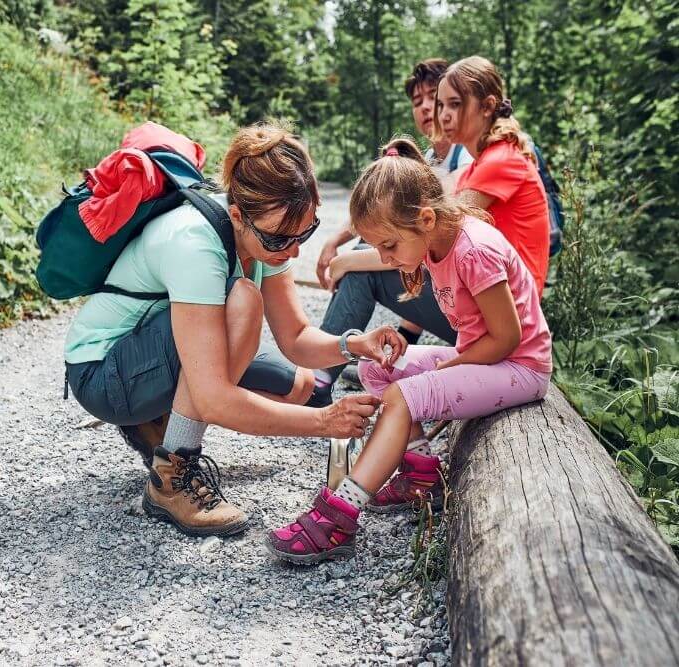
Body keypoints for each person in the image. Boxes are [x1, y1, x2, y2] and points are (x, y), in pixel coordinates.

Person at [64, 120, 407, 538]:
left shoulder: (269, 233)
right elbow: (213, 399)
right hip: (103, 372)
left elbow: (297, 338)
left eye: (306, 231)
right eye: (282, 239)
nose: (294, 250)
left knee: (299, 387)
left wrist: (355, 344)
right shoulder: (195, 243)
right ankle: (172, 477)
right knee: (244, 302)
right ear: (237, 215)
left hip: (150, 353)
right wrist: (324, 422)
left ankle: (158, 416)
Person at [266, 137, 552, 564]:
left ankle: (338, 515)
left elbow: (507, 338)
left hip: (519, 368)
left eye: (389, 245)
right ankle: (421, 473)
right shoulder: (433, 241)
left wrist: (447, 368)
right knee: (378, 367)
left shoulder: (474, 250)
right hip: (487, 357)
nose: (383, 256)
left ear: (426, 217)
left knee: (404, 394)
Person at [311, 59, 473, 403]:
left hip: (486, 307)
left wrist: (348, 261)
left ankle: (319, 379)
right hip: (457, 294)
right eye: (419, 102)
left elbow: (435, 244)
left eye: (437, 98)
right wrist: (336, 241)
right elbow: (389, 221)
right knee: (369, 245)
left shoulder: (467, 160)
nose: (429, 107)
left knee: (360, 269)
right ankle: (329, 368)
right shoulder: (430, 158)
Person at [436, 55, 550, 296]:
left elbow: (438, 234)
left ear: (487, 107)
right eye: (441, 105)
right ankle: (395, 335)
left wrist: (351, 261)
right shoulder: (481, 163)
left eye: (455, 104)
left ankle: (342, 335)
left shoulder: (500, 160)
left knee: (365, 276)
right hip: (492, 294)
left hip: (513, 307)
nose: (444, 115)